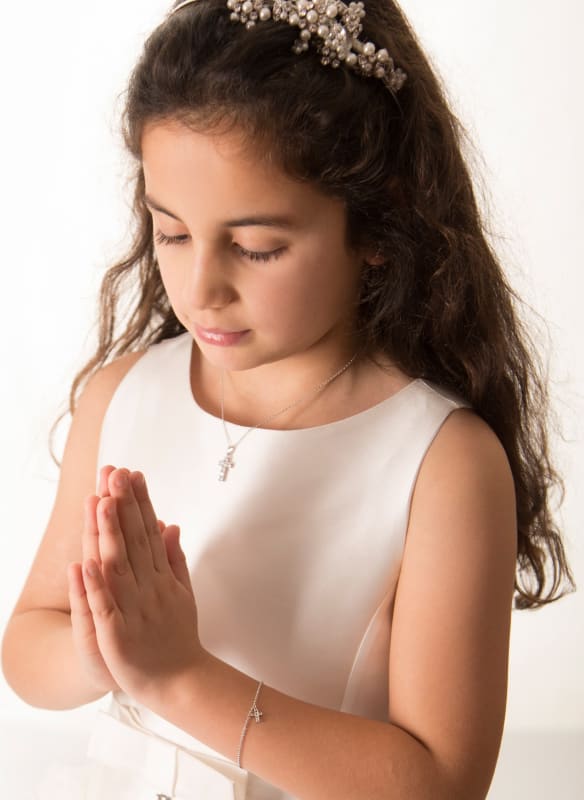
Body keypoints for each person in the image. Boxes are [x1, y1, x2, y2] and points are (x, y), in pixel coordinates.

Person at [1, 0, 576, 798]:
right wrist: (100, 652)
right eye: (170, 232)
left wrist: (180, 678)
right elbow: (28, 644)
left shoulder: (441, 462)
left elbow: (442, 782)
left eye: (257, 247)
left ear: (379, 225)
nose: (201, 289)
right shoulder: (123, 396)